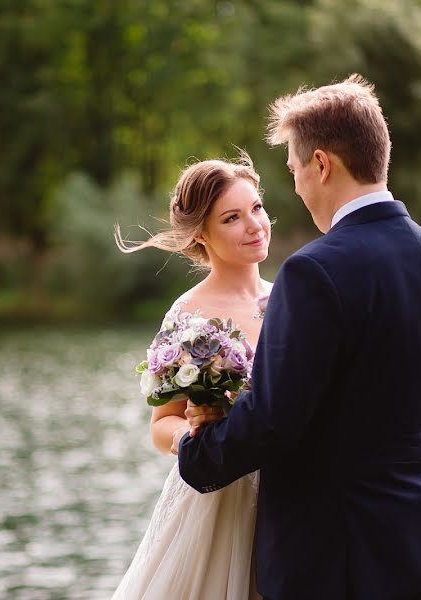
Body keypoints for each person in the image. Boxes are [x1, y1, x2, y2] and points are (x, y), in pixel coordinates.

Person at [176, 74, 421, 600]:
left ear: (322, 164)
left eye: (296, 171)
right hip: (417, 539)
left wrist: (199, 451)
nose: (298, 189)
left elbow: (273, 421)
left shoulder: (313, 272)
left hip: (332, 556)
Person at [111, 155, 273, 599]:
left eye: (256, 208)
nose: (255, 225)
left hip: (285, 496)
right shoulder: (189, 314)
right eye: (232, 218)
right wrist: (193, 435)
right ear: (202, 234)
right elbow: (161, 424)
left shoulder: (288, 301)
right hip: (214, 498)